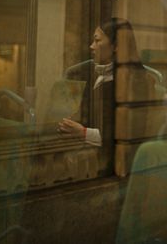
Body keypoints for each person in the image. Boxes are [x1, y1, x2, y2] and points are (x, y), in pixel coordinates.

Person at [58, 17, 155, 172]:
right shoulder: (98, 75)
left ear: (115, 46)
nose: (92, 46)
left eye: (97, 41)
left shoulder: (134, 81)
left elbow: (124, 135)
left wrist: (81, 132)